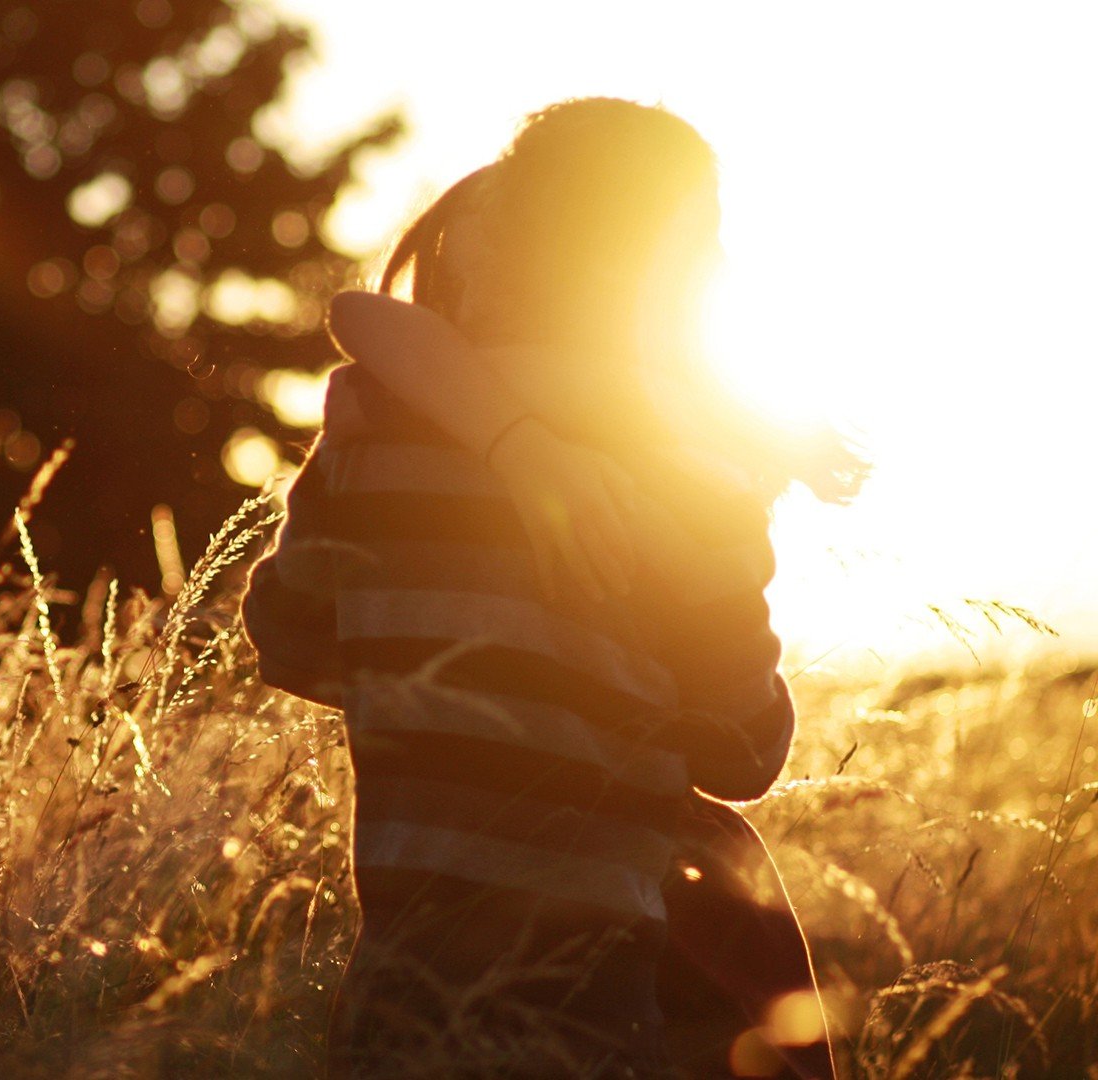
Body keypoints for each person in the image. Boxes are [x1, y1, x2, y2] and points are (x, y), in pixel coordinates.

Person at [242, 98, 864, 1077]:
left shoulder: (374, 440)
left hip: (402, 1003)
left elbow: (292, 641)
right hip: (596, 1009)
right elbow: (744, 749)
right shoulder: (691, 477)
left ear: (508, 239)